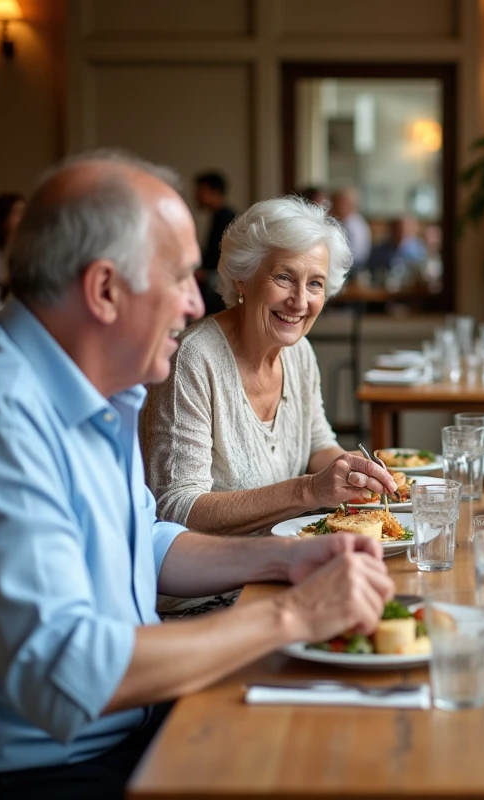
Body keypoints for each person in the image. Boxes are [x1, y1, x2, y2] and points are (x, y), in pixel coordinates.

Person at [0, 151, 395, 796]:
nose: (194, 301)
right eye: (179, 276)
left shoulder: (97, 391)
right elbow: (69, 672)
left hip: (115, 729)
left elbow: (147, 545)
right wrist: (293, 615)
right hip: (17, 771)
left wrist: (287, 560)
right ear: (105, 289)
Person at [142, 194, 397, 616]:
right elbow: (176, 508)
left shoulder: (298, 353)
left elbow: (318, 444)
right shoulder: (193, 359)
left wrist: (360, 472)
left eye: (315, 283)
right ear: (242, 278)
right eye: (284, 277)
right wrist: (308, 490)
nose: (300, 301)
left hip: (287, 577)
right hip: (205, 603)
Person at [194, 170, 236, 314]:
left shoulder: (227, 219)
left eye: (201, 191)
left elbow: (230, 260)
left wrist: (205, 273)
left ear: (215, 191)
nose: (197, 196)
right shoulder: (217, 217)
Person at [330, 186, 371, 267]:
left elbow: (355, 256)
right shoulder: (338, 221)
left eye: (336, 203)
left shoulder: (355, 226)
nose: (331, 207)